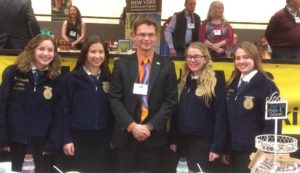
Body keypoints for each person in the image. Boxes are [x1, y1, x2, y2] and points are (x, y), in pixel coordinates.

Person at [109, 17, 178, 173]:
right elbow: (114, 99)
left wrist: (149, 127)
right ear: (134, 36)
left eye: (150, 34)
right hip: (126, 138)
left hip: (153, 139)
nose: (146, 39)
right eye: (141, 34)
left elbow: (170, 101)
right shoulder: (121, 64)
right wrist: (133, 127)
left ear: (156, 37)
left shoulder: (167, 65)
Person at [0, 34, 62, 173]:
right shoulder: (13, 73)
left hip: (42, 145)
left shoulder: (56, 79)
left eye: (50, 50)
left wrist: (53, 143)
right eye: (41, 49)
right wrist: (2, 138)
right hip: (13, 143)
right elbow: (1, 107)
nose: (46, 53)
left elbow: (59, 114)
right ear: (32, 50)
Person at [169, 42, 227, 173]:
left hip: (203, 142)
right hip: (182, 141)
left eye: (196, 56)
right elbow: (175, 113)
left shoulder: (215, 81)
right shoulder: (183, 80)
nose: (192, 60)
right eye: (189, 57)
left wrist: (217, 146)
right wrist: (173, 139)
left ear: (205, 58)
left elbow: (221, 116)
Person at [226, 41, 280, 173]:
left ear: (255, 59)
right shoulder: (232, 84)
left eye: (246, 57)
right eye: (238, 58)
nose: (241, 61)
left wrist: (264, 152)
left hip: (255, 153)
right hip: (233, 150)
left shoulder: (269, 86)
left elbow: (275, 122)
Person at [60, 36, 111, 173]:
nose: (97, 56)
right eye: (93, 52)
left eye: (101, 52)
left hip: (102, 140)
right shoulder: (71, 79)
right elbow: (63, 111)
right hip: (77, 140)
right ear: (85, 54)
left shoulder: (108, 78)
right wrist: (66, 139)